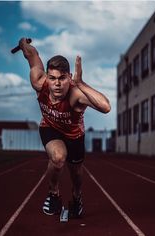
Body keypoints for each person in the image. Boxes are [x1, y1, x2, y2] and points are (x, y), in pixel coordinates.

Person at [18, 37, 111, 218]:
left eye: (62, 78)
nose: (57, 84)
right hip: (50, 128)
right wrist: (23, 44)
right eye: (52, 78)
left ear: (69, 77)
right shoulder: (38, 81)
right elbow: (32, 54)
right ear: (47, 76)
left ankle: (76, 197)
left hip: (74, 135)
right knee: (59, 157)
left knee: (76, 174)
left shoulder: (76, 95)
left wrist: (81, 83)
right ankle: (54, 194)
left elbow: (106, 107)